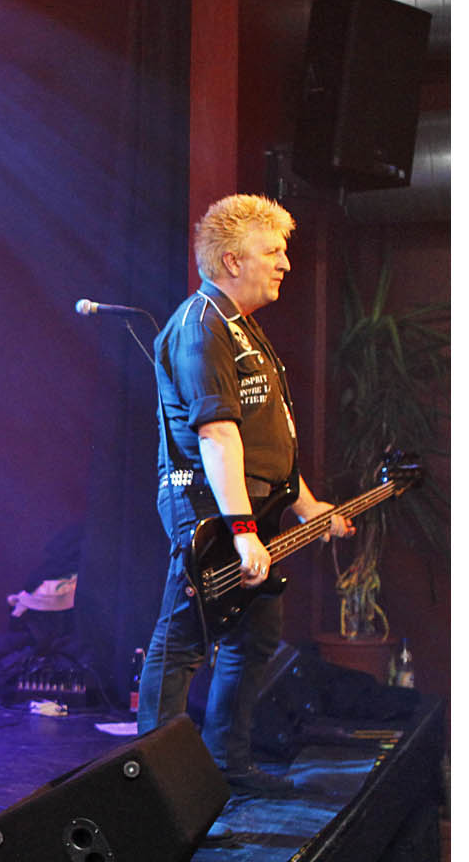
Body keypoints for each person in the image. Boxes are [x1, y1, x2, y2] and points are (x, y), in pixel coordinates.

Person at [136, 194, 353, 802]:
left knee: (252, 637)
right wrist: (240, 529)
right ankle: (148, 785)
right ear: (233, 260)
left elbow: (263, 438)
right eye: (273, 251)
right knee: (184, 640)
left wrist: (305, 505)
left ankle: (227, 765)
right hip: (210, 507)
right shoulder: (201, 325)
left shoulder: (240, 325)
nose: (285, 262)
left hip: (247, 508)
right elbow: (217, 434)